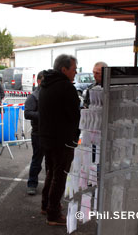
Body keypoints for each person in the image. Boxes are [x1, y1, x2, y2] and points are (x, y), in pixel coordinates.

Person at [39, 54, 80, 226]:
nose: (76, 73)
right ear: (64, 69)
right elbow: (74, 115)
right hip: (61, 139)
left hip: (47, 137)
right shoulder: (65, 87)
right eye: (74, 69)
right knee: (59, 176)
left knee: (51, 173)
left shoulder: (46, 84)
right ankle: (53, 213)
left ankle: (46, 205)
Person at [25, 70, 45, 195]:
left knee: (50, 162)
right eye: (44, 81)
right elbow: (27, 113)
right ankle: (32, 184)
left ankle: (50, 185)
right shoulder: (33, 96)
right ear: (38, 81)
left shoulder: (51, 95)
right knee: (37, 160)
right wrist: (43, 115)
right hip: (38, 133)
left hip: (50, 133)